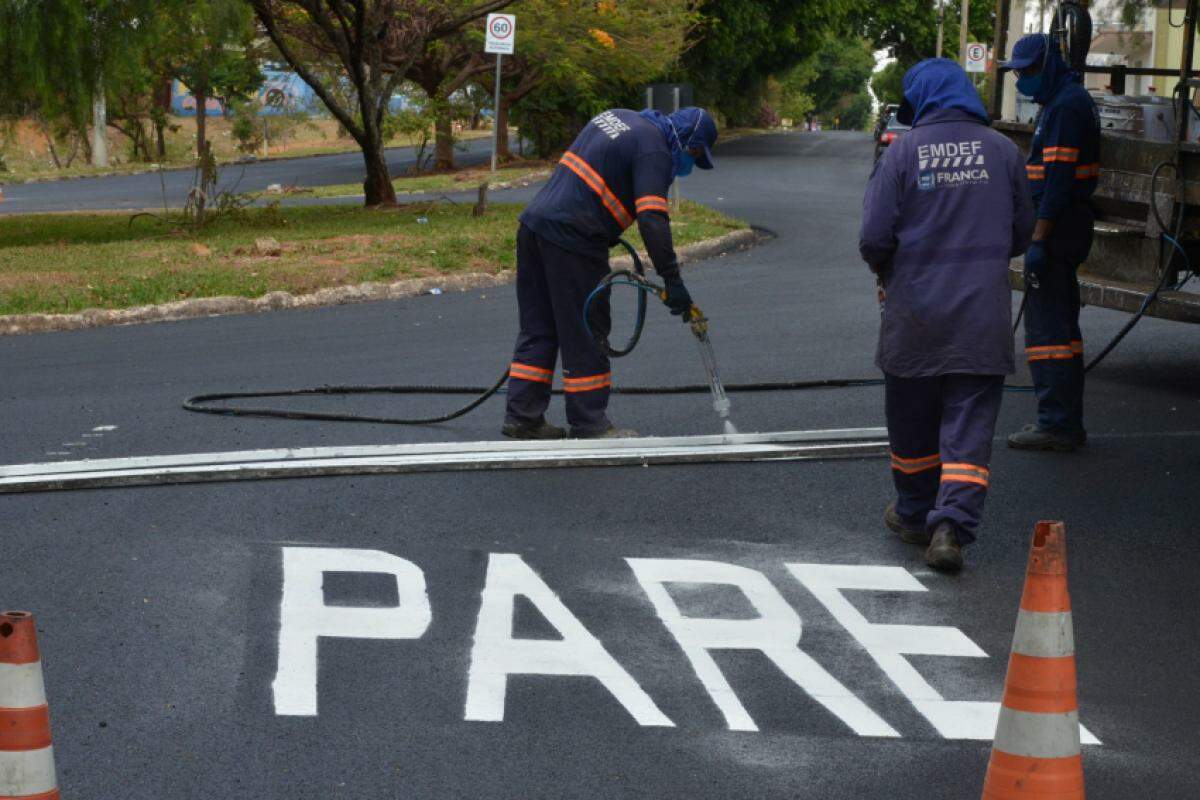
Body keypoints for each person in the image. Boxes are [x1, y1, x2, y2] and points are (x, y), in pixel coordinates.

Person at [859, 59, 1035, 572]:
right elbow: (1023, 229)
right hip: (981, 316)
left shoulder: (902, 153)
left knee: (911, 419)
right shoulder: (1005, 152)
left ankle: (914, 514)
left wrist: (885, 270)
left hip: (914, 312)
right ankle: (950, 527)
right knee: (969, 425)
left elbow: (873, 236)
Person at [502, 107, 718, 440]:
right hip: (572, 239)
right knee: (588, 327)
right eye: (692, 153)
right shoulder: (655, 148)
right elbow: (652, 219)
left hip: (534, 226)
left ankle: (523, 416)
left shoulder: (620, 116)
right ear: (687, 138)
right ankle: (590, 422)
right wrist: (672, 280)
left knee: (539, 326)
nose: (688, 163)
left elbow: (599, 176)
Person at [1001, 34, 1100, 452]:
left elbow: (1057, 183)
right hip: (1061, 229)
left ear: (1050, 65)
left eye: (1028, 70)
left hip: (1059, 230)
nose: (1022, 78)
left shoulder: (1065, 106)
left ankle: (1057, 423)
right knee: (1057, 328)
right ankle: (1060, 419)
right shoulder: (1058, 102)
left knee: (1050, 333)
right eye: (1018, 72)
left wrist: (1039, 240)